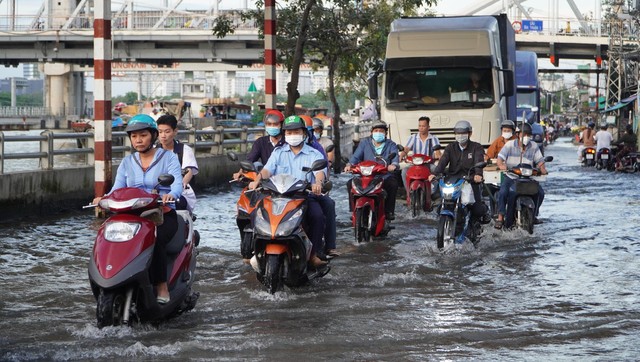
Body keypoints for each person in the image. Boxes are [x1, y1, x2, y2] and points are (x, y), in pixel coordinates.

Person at [92, 114, 183, 305]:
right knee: (105, 236)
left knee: (155, 239)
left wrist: (170, 195)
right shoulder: (127, 162)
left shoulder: (169, 158)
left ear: (153, 135)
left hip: (161, 215)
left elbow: (177, 185)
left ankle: (161, 285)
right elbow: (116, 189)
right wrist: (103, 198)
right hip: (130, 217)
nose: (138, 140)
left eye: (143, 135)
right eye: (134, 136)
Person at [248, 115, 328, 267]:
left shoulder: (314, 154)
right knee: (255, 213)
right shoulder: (278, 152)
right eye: (289, 133)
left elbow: (320, 173)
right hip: (277, 197)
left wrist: (317, 183)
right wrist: (257, 180)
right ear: (284, 135)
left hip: (303, 197)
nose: (292, 135)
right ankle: (257, 250)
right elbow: (267, 170)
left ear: (304, 133)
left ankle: (313, 254)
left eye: (296, 131)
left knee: (317, 216)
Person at [428, 120, 490, 225]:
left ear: (470, 134)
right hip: (453, 179)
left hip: (470, 179)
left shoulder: (476, 147)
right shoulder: (450, 147)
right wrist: (435, 173)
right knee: (441, 207)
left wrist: (478, 175)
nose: (460, 136)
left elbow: (479, 161)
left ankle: (476, 223)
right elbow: (443, 162)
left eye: (463, 133)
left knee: (477, 210)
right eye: (458, 133)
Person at [494, 122, 548, 229]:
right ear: (518, 134)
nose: (526, 137)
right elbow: (500, 159)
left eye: (528, 135)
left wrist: (542, 169)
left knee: (540, 193)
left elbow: (540, 161)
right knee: (503, 192)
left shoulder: (533, 146)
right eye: (524, 134)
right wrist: (501, 165)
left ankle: (534, 214)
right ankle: (500, 217)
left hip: (528, 178)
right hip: (511, 176)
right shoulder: (509, 145)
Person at [344, 121, 400, 220]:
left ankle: (388, 211)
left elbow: (395, 159)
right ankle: (353, 211)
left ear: (386, 133)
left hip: (383, 175)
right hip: (365, 176)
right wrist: (349, 165)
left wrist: (393, 165)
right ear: (371, 132)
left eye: (381, 131)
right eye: (376, 130)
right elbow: (356, 157)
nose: (378, 133)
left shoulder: (391, 144)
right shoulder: (364, 143)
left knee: (392, 184)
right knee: (350, 183)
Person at [156, 114, 199, 212]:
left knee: (176, 202)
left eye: (167, 132)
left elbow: (189, 171)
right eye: (160, 132)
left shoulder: (184, 150)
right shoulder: (154, 151)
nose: (163, 135)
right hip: (159, 191)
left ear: (175, 131)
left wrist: (180, 184)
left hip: (182, 192)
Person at [233, 109, 285, 180]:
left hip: (287, 180)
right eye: (269, 124)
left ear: (281, 125)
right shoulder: (260, 142)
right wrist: (240, 172)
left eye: (275, 124)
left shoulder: (288, 142)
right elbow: (250, 159)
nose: (272, 127)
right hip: (267, 180)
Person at [399, 116, 441, 193]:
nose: (421, 128)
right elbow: (407, 149)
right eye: (420, 126)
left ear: (428, 127)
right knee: (404, 171)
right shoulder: (413, 137)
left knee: (437, 170)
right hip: (414, 164)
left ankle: (435, 192)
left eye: (423, 126)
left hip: (428, 164)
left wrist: (439, 157)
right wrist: (402, 155)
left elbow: (437, 151)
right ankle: (409, 193)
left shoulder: (434, 138)